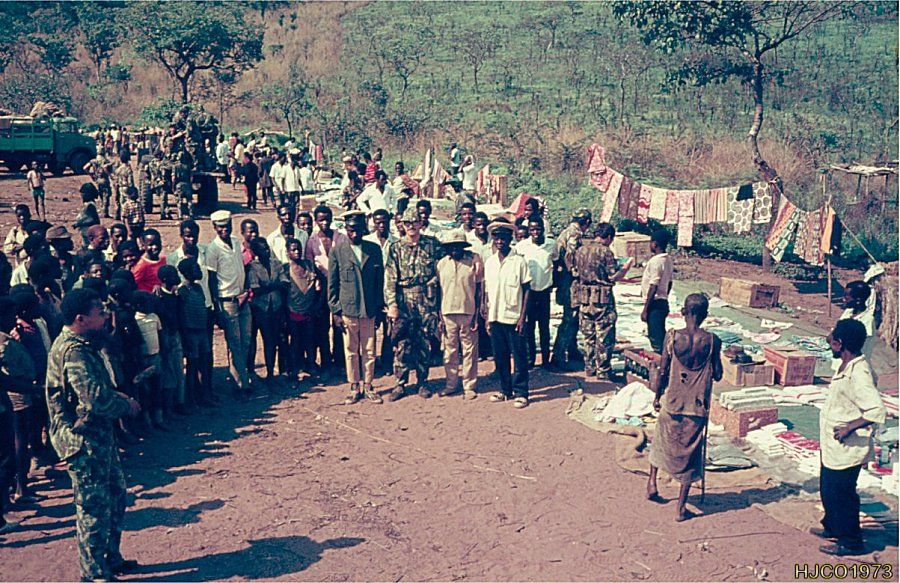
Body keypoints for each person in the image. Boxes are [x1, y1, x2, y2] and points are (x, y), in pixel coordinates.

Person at [45, 289, 142, 580]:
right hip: (82, 442)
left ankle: (110, 557)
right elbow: (95, 401)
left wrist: (117, 395)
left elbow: (96, 390)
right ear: (81, 319)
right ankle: (93, 572)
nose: (105, 317)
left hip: (97, 437)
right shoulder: (74, 352)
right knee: (93, 508)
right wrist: (126, 406)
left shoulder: (84, 345)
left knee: (115, 495)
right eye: (100, 313)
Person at [647, 293, 723, 522]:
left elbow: (663, 370)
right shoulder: (712, 341)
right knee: (690, 454)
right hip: (696, 407)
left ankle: (652, 483)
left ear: (683, 312)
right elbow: (718, 374)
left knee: (660, 441)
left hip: (672, 402)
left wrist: (657, 396)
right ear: (705, 315)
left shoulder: (672, 337)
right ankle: (681, 508)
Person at [814, 319, 887, 556]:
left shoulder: (859, 373)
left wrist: (849, 427)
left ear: (840, 343)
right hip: (833, 445)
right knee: (828, 489)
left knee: (843, 494)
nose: (829, 342)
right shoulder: (846, 364)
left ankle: (851, 541)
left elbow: (876, 410)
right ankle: (832, 527)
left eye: (832, 339)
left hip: (848, 446)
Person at [384, 207, 444, 401]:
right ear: (402, 224)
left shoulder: (432, 245)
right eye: (407, 223)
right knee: (402, 343)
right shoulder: (396, 248)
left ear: (421, 223)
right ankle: (400, 384)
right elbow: (390, 278)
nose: (411, 226)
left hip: (426, 300)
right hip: (404, 300)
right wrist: (392, 304)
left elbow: (444, 267)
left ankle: (422, 382)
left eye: (415, 222)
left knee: (424, 342)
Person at [327, 211, 385, 404]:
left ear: (364, 229)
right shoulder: (338, 251)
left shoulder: (374, 250)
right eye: (351, 230)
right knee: (351, 349)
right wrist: (335, 311)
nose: (354, 234)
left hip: (369, 309)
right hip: (348, 309)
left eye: (358, 230)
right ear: (345, 229)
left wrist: (379, 309)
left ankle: (368, 385)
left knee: (369, 349)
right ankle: (354, 385)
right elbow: (332, 284)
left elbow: (379, 282)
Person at [574, 222, 633, 379]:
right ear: (608, 237)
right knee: (604, 335)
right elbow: (613, 275)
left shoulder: (580, 250)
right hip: (602, 299)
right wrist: (625, 268)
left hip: (584, 297)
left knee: (588, 335)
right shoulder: (605, 252)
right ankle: (603, 370)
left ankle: (590, 367)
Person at [483, 221, 531, 408]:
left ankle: (521, 393)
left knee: (519, 356)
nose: (500, 241)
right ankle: (505, 390)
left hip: (513, 317)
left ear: (510, 239)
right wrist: (487, 316)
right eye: (496, 237)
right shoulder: (490, 262)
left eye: (503, 237)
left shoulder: (519, 262)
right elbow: (488, 291)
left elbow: (527, 290)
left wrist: (522, 317)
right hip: (495, 316)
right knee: (500, 356)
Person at [0, 296, 37, 536]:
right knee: (7, 456)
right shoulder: (3, 342)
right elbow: (5, 379)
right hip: (8, 403)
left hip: (7, 401)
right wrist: (33, 389)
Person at [206, 210, 252, 396]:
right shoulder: (213, 249)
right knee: (234, 343)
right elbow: (212, 279)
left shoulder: (235, 242)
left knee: (246, 340)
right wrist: (217, 307)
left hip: (242, 297)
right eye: (220, 227)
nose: (224, 230)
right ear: (214, 227)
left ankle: (241, 376)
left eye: (227, 226)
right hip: (227, 301)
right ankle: (240, 384)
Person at [437, 230, 483, 399]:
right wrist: (439, 315)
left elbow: (479, 290)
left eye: (458, 246)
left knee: (469, 351)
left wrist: (477, 314)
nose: (455, 249)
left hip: (468, 311)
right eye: (451, 247)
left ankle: (469, 386)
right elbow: (438, 291)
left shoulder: (473, 262)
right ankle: (451, 385)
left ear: (464, 247)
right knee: (450, 351)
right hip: (447, 312)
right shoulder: (441, 264)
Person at [306, 205, 348, 372]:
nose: (324, 222)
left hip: (340, 285)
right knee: (322, 325)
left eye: (327, 219)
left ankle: (340, 360)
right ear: (316, 221)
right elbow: (310, 263)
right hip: (321, 287)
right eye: (321, 219)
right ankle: (326, 361)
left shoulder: (341, 237)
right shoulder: (312, 240)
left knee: (340, 323)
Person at [551, 208, 592, 370]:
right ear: (587, 222)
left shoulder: (566, 232)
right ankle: (558, 356)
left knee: (573, 319)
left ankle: (572, 350)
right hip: (571, 282)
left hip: (565, 281)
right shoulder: (575, 234)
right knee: (570, 318)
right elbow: (570, 256)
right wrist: (577, 272)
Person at [515, 217, 559, 369]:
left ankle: (546, 361)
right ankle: (530, 360)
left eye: (538, 229)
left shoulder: (551, 245)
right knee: (529, 327)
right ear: (528, 230)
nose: (536, 232)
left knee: (544, 327)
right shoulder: (521, 247)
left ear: (543, 229)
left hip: (544, 292)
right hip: (529, 293)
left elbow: (555, 262)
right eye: (532, 229)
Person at [246, 238, 288, 387]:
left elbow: (284, 283)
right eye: (262, 249)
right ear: (256, 252)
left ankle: (270, 373)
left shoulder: (276, 263)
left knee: (271, 341)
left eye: (267, 248)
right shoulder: (252, 267)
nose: (266, 251)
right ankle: (251, 372)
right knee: (254, 341)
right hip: (259, 309)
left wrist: (268, 286)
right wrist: (275, 285)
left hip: (275, 307)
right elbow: (256, 289)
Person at [176, 258, 214, 407]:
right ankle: (191, 398)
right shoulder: (183, 291)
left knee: (203, 363)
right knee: (192, 366)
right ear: (187, 273)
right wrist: (185, 335)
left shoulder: (198, 288)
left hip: (202, 331)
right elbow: (182, 315)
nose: (199, 271)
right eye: (196, 269)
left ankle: (204, 395)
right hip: (191, 332)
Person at [363, 209, 397, 373]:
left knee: (389, 329)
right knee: (370, 329)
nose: (381, 225)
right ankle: (370, 362)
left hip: (390, 292)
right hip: (372, 292)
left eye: (384, 222)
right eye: (378, 222)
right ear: (374, 223)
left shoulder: (396, 242)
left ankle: (387, 362)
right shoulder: (367, 242)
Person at [285, 238, 323, 383]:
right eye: (293, 249)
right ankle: (295, 371)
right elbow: (283, 291)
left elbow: (322, 281)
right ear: (287, 252)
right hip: (293, 312)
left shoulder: (309, 265)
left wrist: (318, 303)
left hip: (309, 311)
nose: (296, 252)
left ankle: (312, 368)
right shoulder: (286, 269)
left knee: (310, 340)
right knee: (295, 342)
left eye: (298, 249)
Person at [154, 265, 185, 415]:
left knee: (178, 371)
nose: (176, 277)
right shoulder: (158, 298)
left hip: (175, 335)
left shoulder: (175, 296)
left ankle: (180, 403)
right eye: (173, 275)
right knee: (169, 373)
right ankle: (170, 408)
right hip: (166, 337)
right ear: (165, 279)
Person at [641, 230, 674, 353]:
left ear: (654, 244)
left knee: (655, 337)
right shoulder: (668, 260)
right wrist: (665, 296)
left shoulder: (655, 261)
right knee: (660, 332)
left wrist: (646, 309)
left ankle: (662, 359)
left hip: (654, 304)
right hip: (662, 302)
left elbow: (653, 285)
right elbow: (669, 283)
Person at [836, 281, 875, 365]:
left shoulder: (867, 319)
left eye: (846, 298)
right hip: (842, 360)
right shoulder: (848, 312)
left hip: (855, 363)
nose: (843, 299)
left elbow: (856, 344)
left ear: (858, 300)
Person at [113, 151, 134, 221]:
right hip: (127, 187)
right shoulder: (128, 169)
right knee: (129, 203)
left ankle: (123, 218)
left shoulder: (118, 169)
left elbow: (115, 180)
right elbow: (130, 181)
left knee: (122, 204)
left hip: (120, 187)